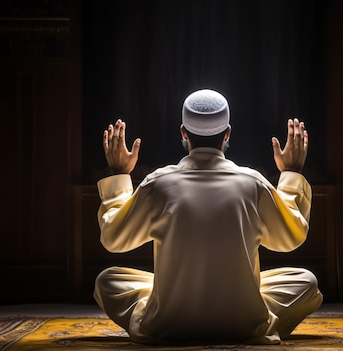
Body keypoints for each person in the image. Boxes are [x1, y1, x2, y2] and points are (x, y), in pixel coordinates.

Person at [94, 88, 322, 345]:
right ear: (227, 134)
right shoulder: (253, 183)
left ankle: (172, 322)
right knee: (306, 283)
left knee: (107, 282)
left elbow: (113, 238)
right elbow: (292, 237)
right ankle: (248, 323)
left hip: (167, 322)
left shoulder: (157, 184)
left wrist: (119, 176)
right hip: (243, 321)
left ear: (183, 132)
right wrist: (291, 173)